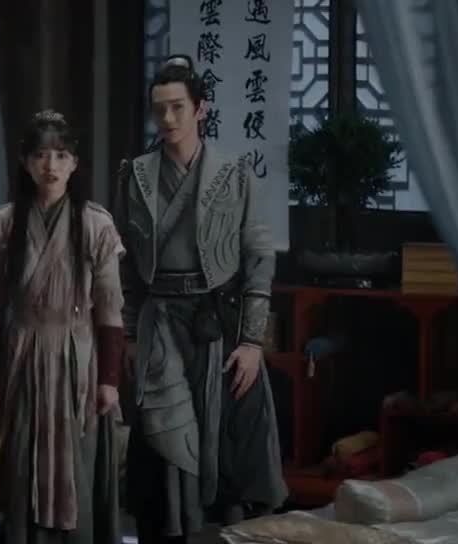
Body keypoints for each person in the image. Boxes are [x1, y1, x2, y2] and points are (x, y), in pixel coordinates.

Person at [117, 54, 287, 542]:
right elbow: (125, 264)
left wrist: (252, 342)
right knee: (161, 436)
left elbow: (258, 259)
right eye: (159, 109)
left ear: (200, 108)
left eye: (177, 107)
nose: (168, 118)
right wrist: (129, 333)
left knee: (227, 436)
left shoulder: (234, 174)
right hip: (158, 322)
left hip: (218, 321)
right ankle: (167, 529)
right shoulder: (135, 175)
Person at [0, 110, 125, 544]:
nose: (51, 166)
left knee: (77, 455)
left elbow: (110, 309)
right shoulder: (6, 223)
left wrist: (109, 379)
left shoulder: (95, 223)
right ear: (26, 162)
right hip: (23, 350)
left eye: (61, 155)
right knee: (22, 455)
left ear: (75, 163)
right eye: (41, 155)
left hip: (77, 353)